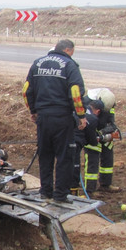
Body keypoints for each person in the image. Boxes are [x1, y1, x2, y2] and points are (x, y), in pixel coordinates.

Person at [23, 39, 87, 202]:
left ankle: (45, 191)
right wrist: (81, 116)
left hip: (43, 118)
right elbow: (75, 93)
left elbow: (26, 90)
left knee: (45, 154)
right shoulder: (69, 65)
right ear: (68, 50)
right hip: (62, 117)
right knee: (64, 156)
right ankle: (60, 195)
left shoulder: (37, 63)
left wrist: (33, 111)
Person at [82, 88, 121, 194]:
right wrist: (94, 136)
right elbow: (85, 121)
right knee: (92, 161)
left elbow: (112, 123)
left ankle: (106, 184)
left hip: (103, 134)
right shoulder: (86, 102)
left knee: (108, 159)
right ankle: (90, 190)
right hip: (92, 135)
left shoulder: (110, 103)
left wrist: (104, 132)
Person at [71, 99, 103, 196]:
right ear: (98, 111)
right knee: (74, 169)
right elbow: (92, 141)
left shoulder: (74, 112)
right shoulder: (92, 119)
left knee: (63, 165)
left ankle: (61, 190)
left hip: (63, 141)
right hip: (75, 144)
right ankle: (72, 194)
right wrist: (98, 138)